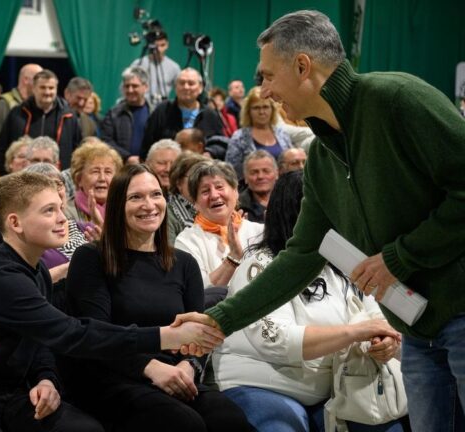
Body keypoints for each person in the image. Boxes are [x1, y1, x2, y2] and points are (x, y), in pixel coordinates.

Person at [176, 11, 465, 432]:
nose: (264, 90)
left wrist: (399, 258)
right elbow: (302, 256)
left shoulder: (398, 99)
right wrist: (219, 320)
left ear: (302, 66)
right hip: (419, 332)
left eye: (268, 76)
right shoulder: (321, 160)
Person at [0, 170, 225, 432]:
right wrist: (166, 336)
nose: (64, 219)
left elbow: (38, 340)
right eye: (49, 211)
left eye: (62, 209)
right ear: (15, 223)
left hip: (11, 389)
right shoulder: (3, 278)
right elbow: (74, 334)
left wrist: (46, 379)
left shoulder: (34, 269)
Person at [208, 171, 405, 432]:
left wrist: (384, 341)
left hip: (333, 387)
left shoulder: (342, 260)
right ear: (300, 213)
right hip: (264, 383)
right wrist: (355, 332)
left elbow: (376, 314)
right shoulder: (260, 265)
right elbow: (276, 339)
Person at [65, 164, 252, 432]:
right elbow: (95, 336)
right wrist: (149, 367)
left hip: (175, 374)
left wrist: (189, 366)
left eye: (155, 194)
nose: (149, 205)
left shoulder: (184, 263)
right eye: (136, 197)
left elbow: (196, 335)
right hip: (113, 377)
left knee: (228, 417)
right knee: (182, 423)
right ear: (118, 205)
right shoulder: (91, 258)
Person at [175, 160, 263, 289]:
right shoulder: (187, 241)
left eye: (219, 187)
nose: (214, 195)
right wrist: (233, 258)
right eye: (205, 191)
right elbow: (196, 291)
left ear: (235, 191)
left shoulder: (260, 232)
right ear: (195, 203)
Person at [0, 69, 82, 172]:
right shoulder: (17, 113)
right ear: (33, 88)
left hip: (58, 176)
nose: (47, 92)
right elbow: (3, 148)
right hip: (24, 176)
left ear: (56, 89)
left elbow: (78, 150)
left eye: (51, 88)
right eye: (42, 87)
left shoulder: (69, 116)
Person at [140, 68, 223, 160]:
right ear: (175, 87)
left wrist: (209, 153)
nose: (186, 87)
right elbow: (147, 145)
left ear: (200, 88)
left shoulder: (210, 115)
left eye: (191, 83)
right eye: (182, 83)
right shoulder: (162, 111)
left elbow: (219, 144)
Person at [225, 86, 293, 179]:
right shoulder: (239, 137)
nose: (261, 112)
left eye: (265, 107)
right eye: (256, 108)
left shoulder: (282, 133)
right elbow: (230, 172)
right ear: (248, 111)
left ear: (272, 109)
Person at [99, 66, 152, 163]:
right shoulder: (113, 114)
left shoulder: (153, 112)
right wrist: (127, 157)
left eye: (134, 86)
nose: (130, 90)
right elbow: (105, 140)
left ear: (145, 87)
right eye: (127, 86)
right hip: (121, 166)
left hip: (148, 165)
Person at [69, 138, 123, 225]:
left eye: (108, 172)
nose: (102, 178)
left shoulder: (124, 210)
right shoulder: (67, 213)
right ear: (79, 179)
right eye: (95, 171)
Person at [166, 151, 210, 244]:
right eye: (194, 177)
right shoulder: (167, 215)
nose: (201, 183)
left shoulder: (213, 209)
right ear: (179, 183)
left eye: (204, 177)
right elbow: (169, 252)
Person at [0, 63, 42, 142]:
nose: (42, 83)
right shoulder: (4, 103)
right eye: (38, 79)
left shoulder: (38, 105)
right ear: (26, 80)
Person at [130, 31, 180, 106]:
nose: (159, 49)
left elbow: (180, 89)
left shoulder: (174, 67)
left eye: (162, 45)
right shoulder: (138, 64)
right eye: (156, 46)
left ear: (167, 45)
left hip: (162, 108)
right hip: (140, 106)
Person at [238, 150, 279, 223]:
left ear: (277, 174)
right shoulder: (237, 207)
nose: (260, 176)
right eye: (254, 172)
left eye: (266, 171)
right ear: (245, 178)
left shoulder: (292, 201)